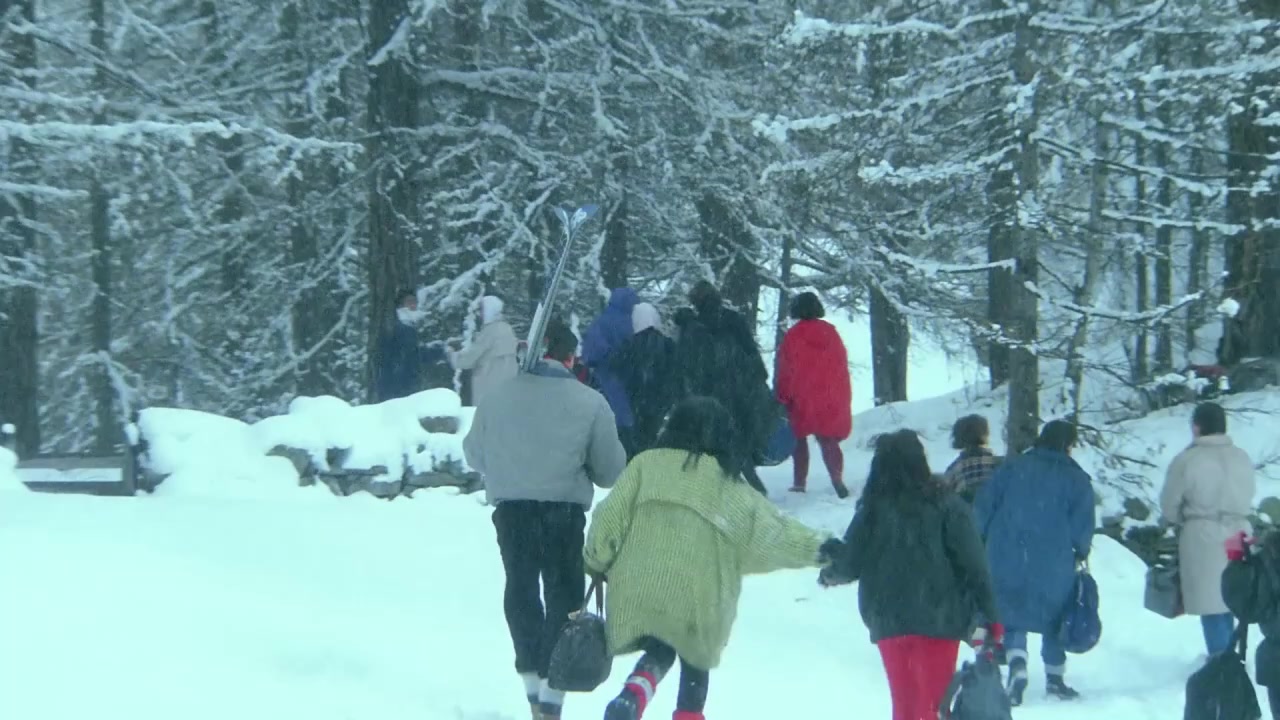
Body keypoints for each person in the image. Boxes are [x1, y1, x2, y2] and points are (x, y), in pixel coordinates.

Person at [585, 396, 838, 720]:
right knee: (695, 654)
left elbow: (608, 519)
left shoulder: (645, 465)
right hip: (699, 595)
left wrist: (596, 561)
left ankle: (634, 692)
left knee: (661, 640)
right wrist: (821, 549)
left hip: (640, 587)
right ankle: (685, 713)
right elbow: (772, 532)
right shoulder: (727, 484)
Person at [462, 319, 628, 720]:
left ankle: (531, 683)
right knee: (563, 596)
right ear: (571, 358)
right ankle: (554, 692)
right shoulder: (591, 403)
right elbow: (610, 471)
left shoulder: (497, 398)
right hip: (562, 513)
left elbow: (474, 456)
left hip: (512, 511)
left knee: (520, 590)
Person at [820, 429, 1002, 720]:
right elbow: (975, 566)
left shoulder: (872, 511)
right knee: (934, 706)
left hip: (889, 621)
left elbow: (850, 562)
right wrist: (992, 619)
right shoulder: (948, 506)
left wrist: (830, 574)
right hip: (940, 618)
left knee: (904, 707)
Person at [974, 420, 1095, 705]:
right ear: (1068, 445)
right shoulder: (1076, 479)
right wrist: (1080, 549)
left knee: (1011, 612)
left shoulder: (1012, 468)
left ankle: (1017, 663)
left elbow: (984, 506)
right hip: (1054, 558)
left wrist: (981, 538)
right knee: (1055, 617)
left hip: (1005, 552)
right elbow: (1082, 525)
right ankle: (1055, 679)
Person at [1159, 401, 1256, 656]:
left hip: (1203, 534)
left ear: (1196, 427)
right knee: (1231, 597)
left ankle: (1220, 661)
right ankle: (1232, 656)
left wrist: (1183, 519)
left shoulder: (1187, 460)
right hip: (1239, 533)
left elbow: (1169, 506)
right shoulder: (1242, 457)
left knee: (1210, 601)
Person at [673, 281, 771, 495]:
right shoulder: (733, 320)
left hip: (709, 396)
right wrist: (758, 382)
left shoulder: (693, 328)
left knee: (712, 446)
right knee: (738, 443)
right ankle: (752, 487)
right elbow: (752, 355)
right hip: (738, 393)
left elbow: (686, 366)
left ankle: (722, 491)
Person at [775, 291, 852, 498]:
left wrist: (783, 395)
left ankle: (799, 483)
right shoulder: (831, 333)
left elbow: (786, 369)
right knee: (828, 440)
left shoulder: (793, 335)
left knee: (799, 439)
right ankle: (837, 479)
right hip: (829, 395)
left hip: (802, 395)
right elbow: (840, 365)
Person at [611, 303, 677, 457]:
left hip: (631, 405)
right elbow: (674, 375)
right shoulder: (668, 346)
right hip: (657, 406)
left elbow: (616, 373)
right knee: (649, 442)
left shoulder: (626, 345)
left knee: (629, 446)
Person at [582, 288, 640, 454]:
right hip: (630, 385)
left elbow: (591, 353)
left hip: (606, 381)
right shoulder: (634, 322)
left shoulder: (602, 321)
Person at [376, 289, 446, 401]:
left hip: (400, 382)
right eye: (409, 302)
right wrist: (438, 351)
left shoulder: (406, 326)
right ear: (401, 305)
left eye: (415, 302)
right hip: (400, 383)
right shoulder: (402, 328)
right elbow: (413, 355)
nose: (413, 305)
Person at [452, 295, 519, 408]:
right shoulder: (507, 329)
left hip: (488, 385)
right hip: (506, 388)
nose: (480, 314)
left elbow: (468, 359)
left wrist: (452, 355)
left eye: (482, 310)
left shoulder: (489, 331)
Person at [942, 414, 1001, 503]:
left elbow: (946, 497)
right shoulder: (998, 464)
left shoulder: (953, 470)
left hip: (966, 510)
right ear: (985, 434)